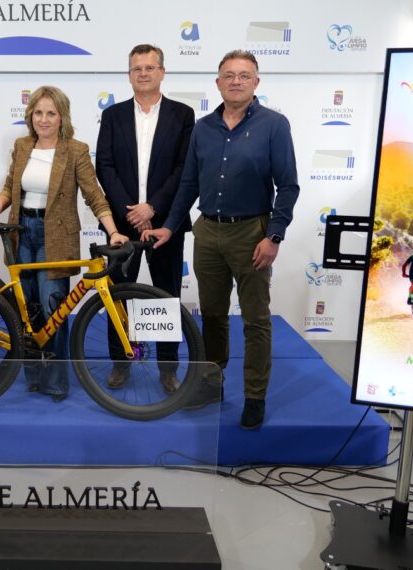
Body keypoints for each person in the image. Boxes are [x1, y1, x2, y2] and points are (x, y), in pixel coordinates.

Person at [144, 50, 300, 430]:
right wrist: (170, 225)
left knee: (255, 320)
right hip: (208, 231)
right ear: (217, 82)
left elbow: (289, 186)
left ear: (256, 82)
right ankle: (212, 385)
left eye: (244, 75)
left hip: (252, 233)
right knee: (212, 316)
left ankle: (255, 396)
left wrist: (274, 236)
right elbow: (189, 185)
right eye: (228, 75)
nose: (235, 81)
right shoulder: (203, 128)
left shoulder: (274, 125)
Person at [0, 86, 128, 402]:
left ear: (62, 117)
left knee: (53, 309)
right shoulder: (22, 147)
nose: (43, 119)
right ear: (30, 115)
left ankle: (57, 381)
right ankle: (33, 376)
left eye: (51, 113)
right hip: (21, 232)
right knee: (28, 310)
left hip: (55, 237)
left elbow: (94, 196)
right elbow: (10, 188)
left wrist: (113, 231)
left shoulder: (75, 150)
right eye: (38, 113)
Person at [95, 44, 195, 393]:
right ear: (129, 75)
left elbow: (185, 169)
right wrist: (132, 211)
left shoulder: (182, 114)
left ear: (162, 72)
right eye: (136, 68)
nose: (143, 73)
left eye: (150, 67)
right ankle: (121, 362)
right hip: (121, 226)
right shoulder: (112, 115)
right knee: (117, 295)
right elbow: (104, 167)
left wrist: (151, 207)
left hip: (166, 223)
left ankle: (167, 368)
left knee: (166, 295)